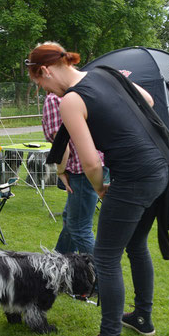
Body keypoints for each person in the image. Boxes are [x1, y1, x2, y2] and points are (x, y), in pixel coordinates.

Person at [27, 42, 169, 336]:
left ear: (46, 70)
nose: (45, 90)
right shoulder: (106, 74)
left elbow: (91, 163)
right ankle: (142, 318)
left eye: (41, 84)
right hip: (161, 170)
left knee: (105, 258)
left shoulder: (71, 101)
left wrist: (101, 188)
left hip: (132, 178)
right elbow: (146, 99)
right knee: (135, 246)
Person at [42, 92, 103, 256]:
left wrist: (60, 171)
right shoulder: (82, 93)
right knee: (71, 219)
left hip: (81, 171)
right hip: (98, 165)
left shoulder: (53, 99)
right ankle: (60, 261)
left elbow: (63, 145)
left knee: (80, 228)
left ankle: (100, 278)